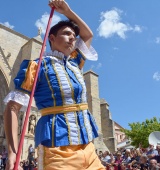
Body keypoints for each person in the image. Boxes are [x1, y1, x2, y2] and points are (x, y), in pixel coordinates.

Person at [3, 0, 104, 170]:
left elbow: (87, 35)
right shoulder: (36, 66)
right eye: (66, 33)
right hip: (58, 151)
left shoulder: (75, 62)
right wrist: (13, 153)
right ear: (51, 38)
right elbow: (12, 108)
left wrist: (67, 11)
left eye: (73, 35)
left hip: (89, 148)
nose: (73, 37)